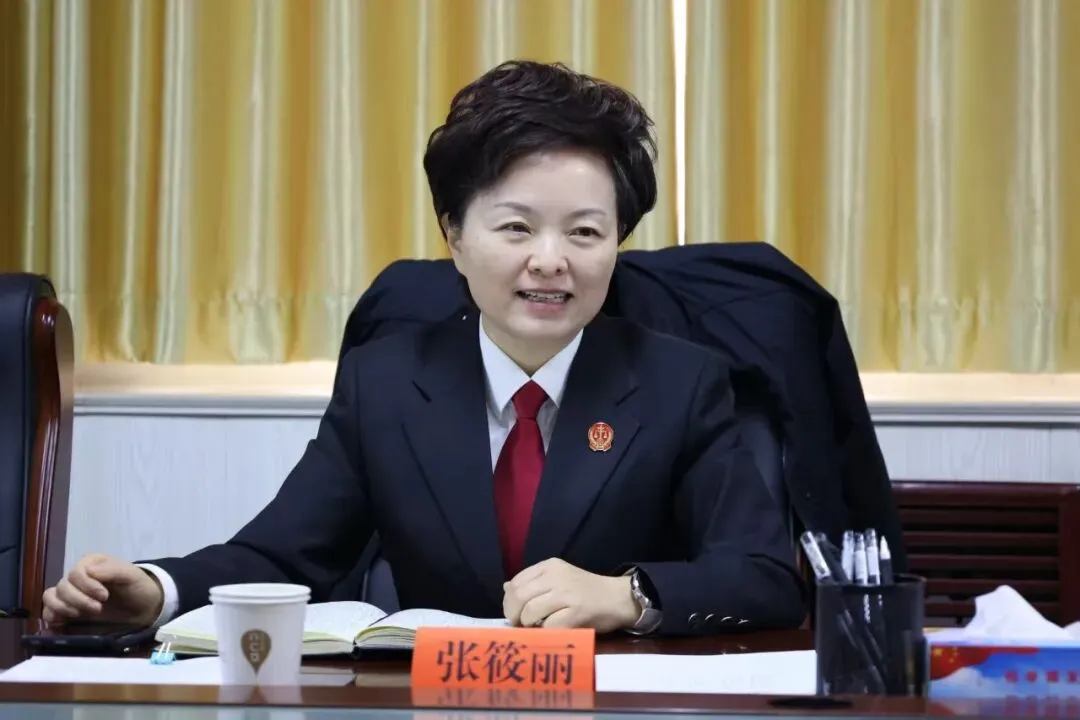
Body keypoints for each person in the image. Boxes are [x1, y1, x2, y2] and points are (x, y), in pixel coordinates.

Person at [43, 60, 806, 636]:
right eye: (516, 227)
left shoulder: (681, 381)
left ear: (617, 244)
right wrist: (156, 589)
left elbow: (763, 575)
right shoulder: (386, 382)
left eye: (584, 232)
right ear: (455, 237)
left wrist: (630, 595)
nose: (550, 260)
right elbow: (283, 555)